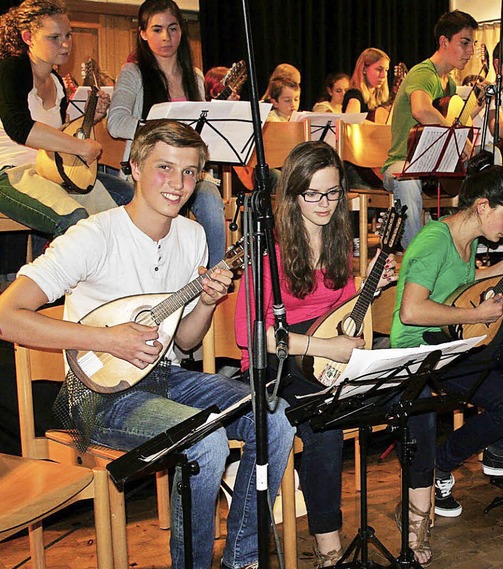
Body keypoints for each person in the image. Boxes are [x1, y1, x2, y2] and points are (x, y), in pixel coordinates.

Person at [0, 119, 295, 569]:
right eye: (164, 168)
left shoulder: (193, 235)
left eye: (190, 172)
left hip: (165, 376)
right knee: (206, 442)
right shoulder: (92, 236)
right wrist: (105, 338)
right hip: (93, 394)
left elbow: (186, 340)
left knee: (274, 415)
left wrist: (206, 302)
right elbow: (6, 315)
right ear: (135, 168)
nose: (177, 184)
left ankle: (242, 558)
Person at [235, 141, 435, 566]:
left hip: (332, 359)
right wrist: (330, 347)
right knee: (324, 429)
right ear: (291, 196)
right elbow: (254, 335)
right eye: (312, 194)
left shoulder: (340, 244)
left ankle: (418, 517)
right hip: (281, 368)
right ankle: (327, 547)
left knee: (418, 395)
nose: (324, 203)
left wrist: (373, 287)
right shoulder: (266, 251)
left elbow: (345, 313)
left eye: (332, 193)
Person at [391, 150, 503, 518]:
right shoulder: (435, 240)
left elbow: (458, 287)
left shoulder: (467, 241)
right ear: (484, 206)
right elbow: (412, 311)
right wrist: (475, 313)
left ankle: (501, 449)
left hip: (458, 336)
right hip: (425, 349)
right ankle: (441, 461)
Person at [0, 0, 133, 248]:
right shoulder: (11, 69)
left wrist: (89, 120)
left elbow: (57, 133)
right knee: (75, 219)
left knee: (123, 206)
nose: (65, 44)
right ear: (28, 37)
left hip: (51, 170)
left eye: (68, 35)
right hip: (9, 173)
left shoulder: (57, 81)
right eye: (54, 37)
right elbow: (18, 127)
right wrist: (79, 146)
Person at [107, 0, 225, 268]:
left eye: (172, 29)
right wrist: (160, 129)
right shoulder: (133, 73)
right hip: (147, 172)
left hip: (187, 173)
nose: (166, 37)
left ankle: (215, 278)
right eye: (157, 29)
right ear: (143, 33)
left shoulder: (194, 77)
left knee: (209, 198)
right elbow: (116, 122)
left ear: (182, 31)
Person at [382, 10, 479, 249]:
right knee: (407, 179)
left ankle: (465, 244)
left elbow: (451, 116)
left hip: (435, 168)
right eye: (464, 43)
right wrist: (457, 139)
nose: (471, 52)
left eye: (472, 44)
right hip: (401, 163)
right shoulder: (423, 73)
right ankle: (417, 254)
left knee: (485, 161)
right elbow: (422, 110)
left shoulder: (451, 82)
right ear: (444, 42)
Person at [342, 48, 390, 119]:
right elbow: (351, 120)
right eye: (379, 69)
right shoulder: (355, 95)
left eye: (386, 70)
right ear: (364, 69)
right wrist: (380, 127)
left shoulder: (382, 99)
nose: (384, 75)